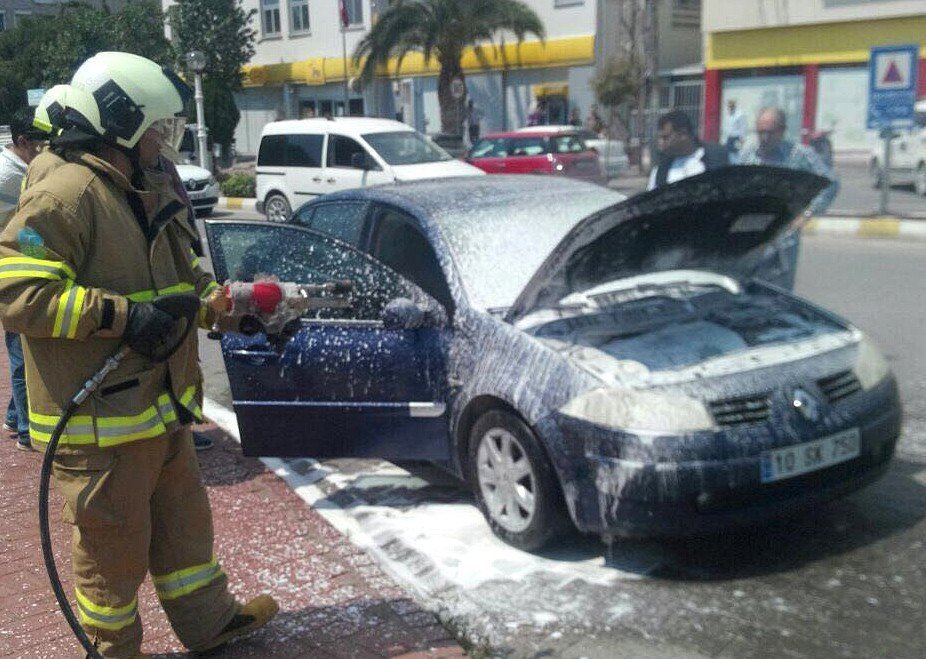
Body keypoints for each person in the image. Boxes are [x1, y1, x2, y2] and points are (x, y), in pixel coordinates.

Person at [0, 52, 278, 657]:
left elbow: (180, 282)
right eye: (157, 128)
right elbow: (15, 289)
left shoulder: (144, 186)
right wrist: (120, 318)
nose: (164, 141)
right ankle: (112, 648)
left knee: (184, 532)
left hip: (159, 406)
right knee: (111, 551)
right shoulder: (67, 193)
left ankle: (208, 623)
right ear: (121, 123)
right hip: (98, 421)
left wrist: (221, 304)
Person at [738, 106, 840, 290]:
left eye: (770, 132)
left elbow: (830, 182)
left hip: (782, 240)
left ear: (782, 131)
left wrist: (808, 212)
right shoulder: (747, 155)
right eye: (760, 132)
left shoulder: (799, 155)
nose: (764, 138)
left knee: (777, 295)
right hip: (749, 237)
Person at [0, 107, 47, 451]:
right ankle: (29, 431)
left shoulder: (22, 169)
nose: (45, 151)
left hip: (23, 267)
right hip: (12, 273)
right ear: (21, 142)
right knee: (21, 351)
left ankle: (16, 418)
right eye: (40, 145)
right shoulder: (8, 177)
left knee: (23, 344)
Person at [647, 110, 729, 190]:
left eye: (665, 137)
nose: (660, 142)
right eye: (659, 137)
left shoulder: (715, 161)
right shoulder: (660, 172)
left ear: (683, 134)